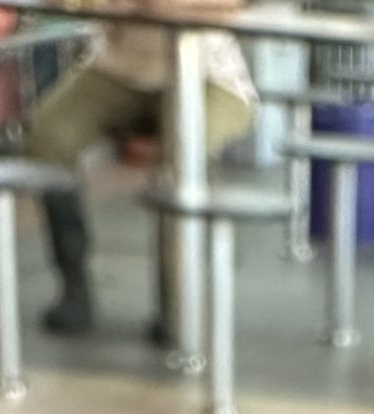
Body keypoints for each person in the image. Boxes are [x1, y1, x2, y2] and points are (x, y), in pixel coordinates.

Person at [26, 18, 257, 337]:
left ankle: (176, 300)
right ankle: (73, 286)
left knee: (185, 149)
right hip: (117, 67)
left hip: (208, 73)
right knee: (49, 138)